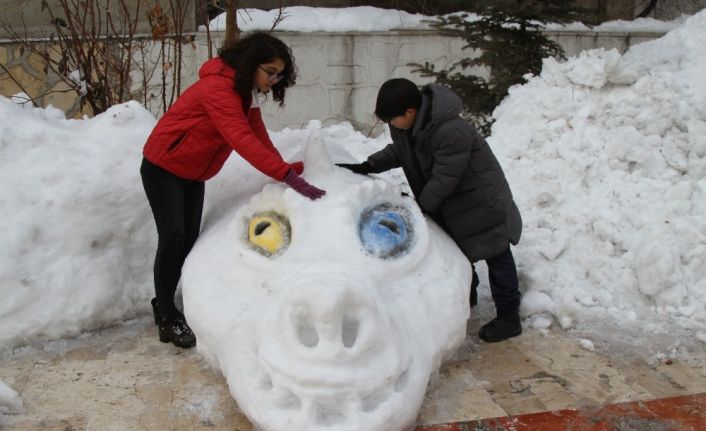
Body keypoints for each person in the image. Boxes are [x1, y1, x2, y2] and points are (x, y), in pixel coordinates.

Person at [140, 32, 325, 348]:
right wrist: (283, 173)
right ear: (252, 63)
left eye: (279, 74)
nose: (273, 79)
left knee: (187, 240)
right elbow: (241, 138)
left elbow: (258, 136)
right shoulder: (219, 89)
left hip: (192, 174)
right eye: (270, 71)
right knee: (172, 238)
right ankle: (167, 316)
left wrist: (285, 169)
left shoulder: (245, 92)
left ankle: (167, 303)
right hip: (164, 168)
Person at [337, 78, 522, 342]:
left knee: (497, 255)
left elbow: (444, 179)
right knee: (458, 249)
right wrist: (368, 166)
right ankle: (465, 294)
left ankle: (509, 317)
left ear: (410, 112)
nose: (391, 125)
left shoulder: (451, 131)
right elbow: (400, 151)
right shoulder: (409, 126)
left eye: (393, 119)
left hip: (482, 201)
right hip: (457, 204)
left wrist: (420, 208)